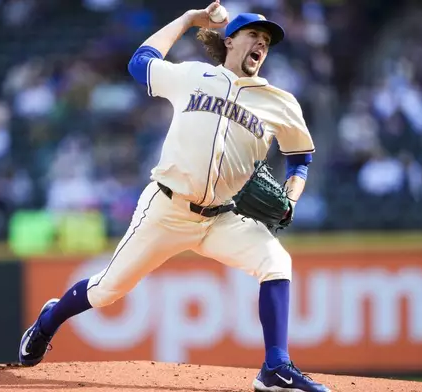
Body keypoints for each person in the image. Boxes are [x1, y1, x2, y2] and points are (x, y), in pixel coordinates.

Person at [19, 2, 329, 391]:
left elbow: (300, 159)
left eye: (266, 42)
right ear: (230, 41)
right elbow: (140, 62)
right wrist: (187, 20)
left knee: (276, 262)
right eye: (254, 36)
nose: (261, 45)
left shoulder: (280, 102)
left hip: (223, 217)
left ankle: (275, 368)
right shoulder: (193, 75)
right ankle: (49, 320)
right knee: (106, 291)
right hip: (167, 208)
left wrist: (292, 196)